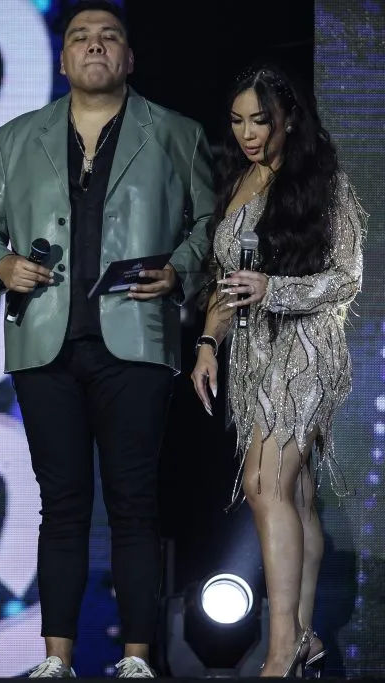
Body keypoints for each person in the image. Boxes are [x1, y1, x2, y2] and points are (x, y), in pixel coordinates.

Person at [0, 1, 216, 677]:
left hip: (135, 340)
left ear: (129, 58)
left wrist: (179, 269)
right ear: (64, 58)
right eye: (81, 37)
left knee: (133, 501)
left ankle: (134, 657)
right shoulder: (18, 137)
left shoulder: (176, 133)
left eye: (110, 38)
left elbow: (211, 228)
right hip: (45, 342)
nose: (95, 46)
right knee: (63, 503)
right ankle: (56, 658)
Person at [190, 64, 364, 677]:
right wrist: (209, 343)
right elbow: (223, 285)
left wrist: (275, 289)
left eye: (260, 120)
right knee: (296, 495)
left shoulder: (324, 181)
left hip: (306, 349)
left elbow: (347, 276)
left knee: (265, 487)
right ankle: (306, 637)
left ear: (288, 117)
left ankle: (282, 645)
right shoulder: (240, 180)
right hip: (252, 357)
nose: (248, 133)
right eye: (238, 122)